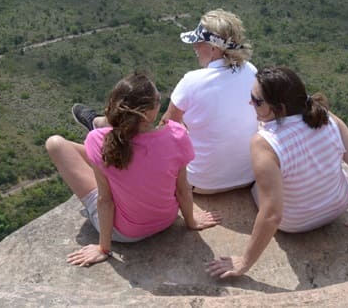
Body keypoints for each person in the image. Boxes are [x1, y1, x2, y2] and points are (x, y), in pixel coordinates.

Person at [206, 66, 348, 279]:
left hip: (295, 222)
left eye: (257, 100)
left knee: (256, 184)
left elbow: (272, 215)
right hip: (339, 205)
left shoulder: (264, 144)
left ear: (278, 108)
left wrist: (244, 262)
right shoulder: (325, 117)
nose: (250, 103)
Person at [47, 72, 220, 266]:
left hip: (124, 233)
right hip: (166, 220)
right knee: (114, 161)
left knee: (55, 144)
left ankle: (99, 123)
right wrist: (191, 221)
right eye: (157, 100)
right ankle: (100, 126)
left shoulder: (98, 141)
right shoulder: (177, 135)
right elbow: (182, 189)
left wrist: (103, 248)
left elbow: (105, 200)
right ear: (150, 112)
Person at [158, 9, 259, 193]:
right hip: (249, 176)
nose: (195, 47)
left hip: (203, 183)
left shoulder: (191, 80)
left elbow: (166, 126)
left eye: (199, 42)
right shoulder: (251, 70)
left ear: (214, 48)